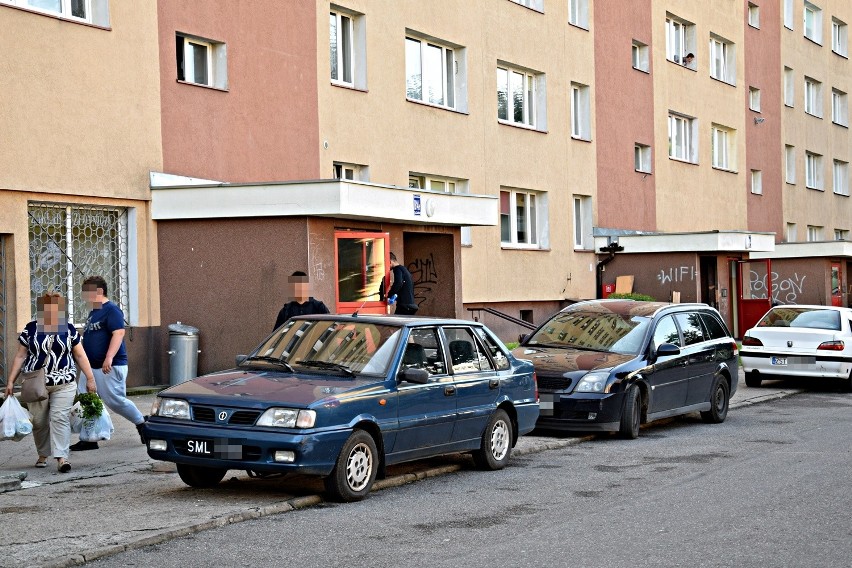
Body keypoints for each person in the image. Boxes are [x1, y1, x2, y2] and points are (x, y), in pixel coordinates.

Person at [4, 293, 97, 472]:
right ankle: (43, 453)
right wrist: (10, 381)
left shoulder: (68, 329)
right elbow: (21, 355)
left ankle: (62, 457)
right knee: (38, 422)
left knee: (59, 418)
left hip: (64, 382)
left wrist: (90, 378)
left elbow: (79, 354)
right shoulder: (30, 329)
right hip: (35, 384)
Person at [70, 276, 146, 451]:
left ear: (99, 291)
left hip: (108, 366)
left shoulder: (111, 310)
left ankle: (142, 424)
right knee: (86, 398)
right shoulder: (93, 313)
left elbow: (118, 333)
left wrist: (109, 357)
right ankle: (90, 438)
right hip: (91, 366)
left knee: (115, 401)